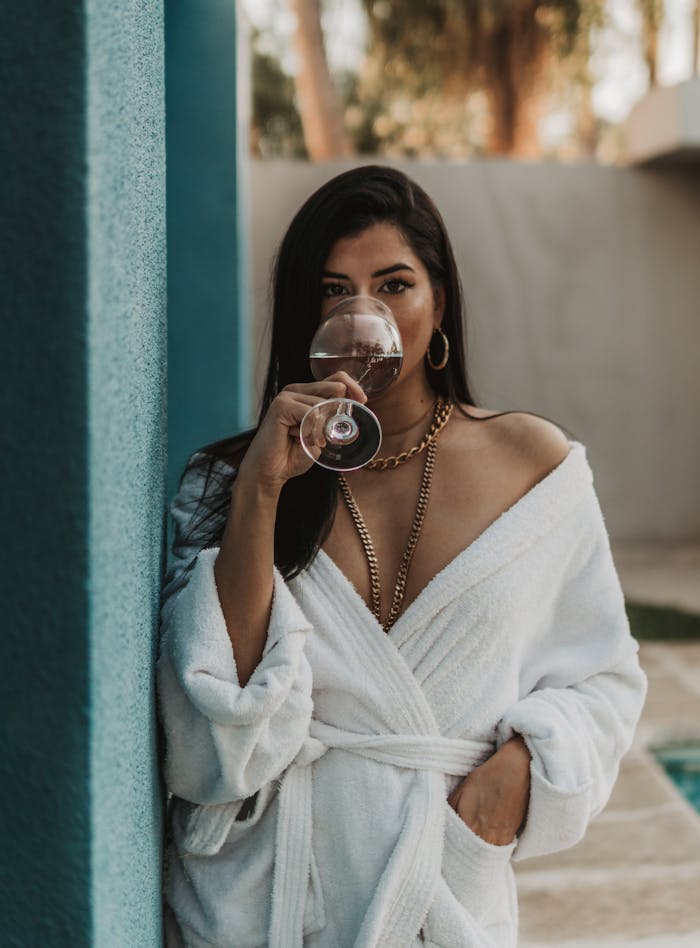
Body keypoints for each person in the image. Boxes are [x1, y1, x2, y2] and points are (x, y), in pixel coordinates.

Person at [157, 165, 647, 948]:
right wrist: (260, 493)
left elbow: (605, 678)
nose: (363, 317)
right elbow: (212, 727)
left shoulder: (533, 466)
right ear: (300, 314)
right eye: (332, 291)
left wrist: (512, 782)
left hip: (439, 891)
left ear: (439, 301)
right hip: (263, 900)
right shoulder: (228, 483)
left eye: (393, 286)